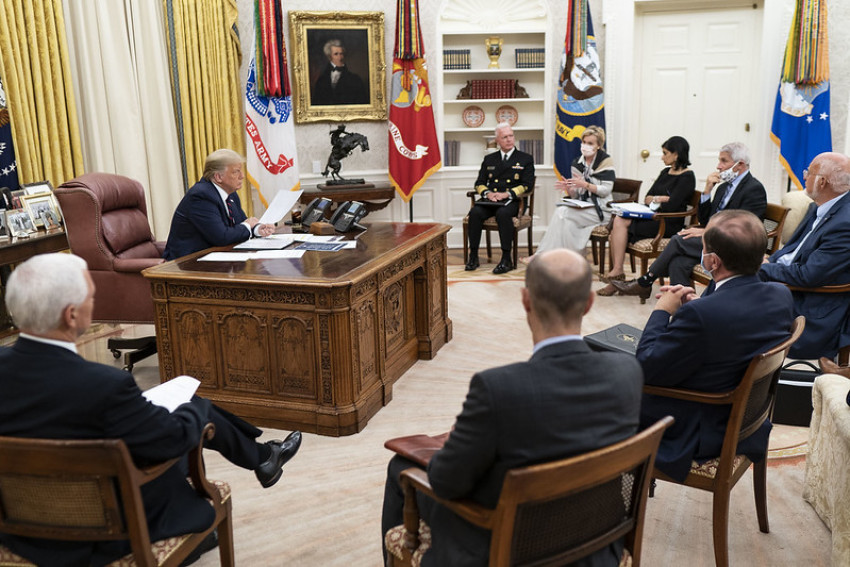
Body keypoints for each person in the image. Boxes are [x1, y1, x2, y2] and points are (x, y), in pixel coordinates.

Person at [0, 253, 302, 565]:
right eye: (92, 297)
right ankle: (259, 460)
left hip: (23, 533)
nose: (95, 303)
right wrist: (192, 409)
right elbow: (172, 441)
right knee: (193, 412)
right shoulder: (105, 385)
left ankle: (263, 457)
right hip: (110, 532)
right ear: (71, 315)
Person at [381, 248, 643, 566]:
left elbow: (447, 482)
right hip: (597, 546)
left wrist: (458, 441)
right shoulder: (627, 371)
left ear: (526, 300)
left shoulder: (498, 389)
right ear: (589, 302)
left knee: (400, 467)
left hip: (509, 551)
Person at [636, 210, 794, 481]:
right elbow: (732, 324)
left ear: (713, 261)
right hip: (748, 418)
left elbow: (646, 368)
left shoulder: (703, 316)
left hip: (699, 424)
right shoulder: (780, 294)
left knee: (609, 384)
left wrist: (662, 312)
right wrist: (699, 307)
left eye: (704, 248)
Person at [612, 142, 766, 300]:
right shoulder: (722, 188)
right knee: (678, 263)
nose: (718, 166)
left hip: (733, 245)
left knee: (679, 240)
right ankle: (685, 312)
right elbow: (705, 219)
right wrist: (707, 191)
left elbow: (743, 229)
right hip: (713, 240)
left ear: (739, 165)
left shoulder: (753, 189)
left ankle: (645, 281)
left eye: (723, 161)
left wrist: (706, 231)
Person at [759, 151, 850, 362]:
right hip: (788, 281)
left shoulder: (845, 224)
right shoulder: (817, 206)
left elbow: (810, 275)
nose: (803, 177)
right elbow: (790, 251)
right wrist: (767, 262)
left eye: (807, 172)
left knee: (737, 282)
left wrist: (763, 268)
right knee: (732, 272)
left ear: (822, 182)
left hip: (811, 304)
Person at [597, 136, 695, 295]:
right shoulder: (665, 171)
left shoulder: (687, 177)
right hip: (654, 217)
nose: (662, 157)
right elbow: (648, 197)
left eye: (665, 153)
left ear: (676, 154)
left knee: (618, 227)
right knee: (619, 220)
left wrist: (658, 201)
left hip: (667, 223)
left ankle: (616, 276)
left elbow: (673, 206)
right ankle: (617, 274)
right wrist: (658, 199)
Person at [522, 126, 615, 263]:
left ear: (599, 146)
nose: (585, 146)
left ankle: (542, 256)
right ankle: (571, 260)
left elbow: (606, 190)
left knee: (562, 213)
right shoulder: (577, 163)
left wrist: (586, 184)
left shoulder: (606, 161)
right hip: (585, 208)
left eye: (590, 143)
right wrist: (570, 189)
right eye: (584, 142)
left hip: (602, 210)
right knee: (567, 223)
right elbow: (577, 196)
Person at [163, 149, 274, 261]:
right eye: (236, 172)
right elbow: (222, 237)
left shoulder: (230, 194)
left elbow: (241, 223)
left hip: (216, 258)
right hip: (187, 264)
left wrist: (257, 229)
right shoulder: (201, 196)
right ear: (218, 177)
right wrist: (247, 226)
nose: (242, 176)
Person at [465, 122, 535, 274]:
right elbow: (479, 183)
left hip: (514, 201)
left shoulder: (525, 159)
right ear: (497, 140)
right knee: (475, 213)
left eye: (511, 136)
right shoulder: (490, 159)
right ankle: (474, 256)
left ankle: (506, 258)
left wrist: (507, 194)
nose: (509, 139)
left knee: (503, 214)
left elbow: (527, 185)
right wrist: (487, 194)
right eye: (505, 137)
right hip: (492, 200)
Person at [311, 39, 369, 106]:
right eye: (336, 54)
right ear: (329, 56)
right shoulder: (321, 80)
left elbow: (362, 103)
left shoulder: (355, 79)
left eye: (341, 54)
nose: (340, 57)